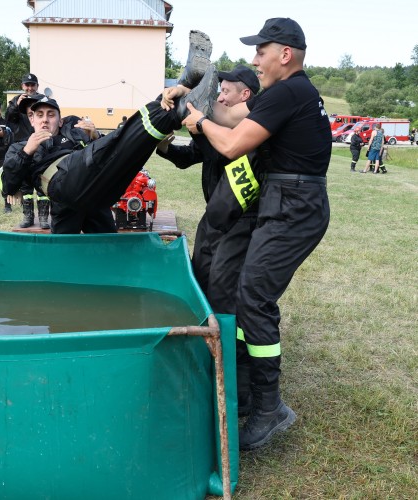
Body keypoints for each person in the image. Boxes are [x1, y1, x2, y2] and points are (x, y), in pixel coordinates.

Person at [165, 18, 331, 450]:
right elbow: (228, 113)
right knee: (246, 295)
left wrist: (199, 123)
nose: (255, 59)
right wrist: (188, 97)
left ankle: (269, 408)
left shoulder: (289, 92)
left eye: (261, 50)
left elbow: (231, 142)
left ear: (285, 54)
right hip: (288, 203)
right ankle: (253, 395)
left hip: (294, 207)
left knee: (253, 298)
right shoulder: (288, 94)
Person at [0, 63, 218, 235]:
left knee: (129, 151)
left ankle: (178, 98)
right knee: (64, 253)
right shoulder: (21, 146)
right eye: (39, 115)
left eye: (50, 115)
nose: (45, 120)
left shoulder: (74, 130)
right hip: (65, 191)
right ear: (31, 119)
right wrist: (27, 151)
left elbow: (108, 150)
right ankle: (179, 102)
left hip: (98, 193)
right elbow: (8, 184)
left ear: (59, 119)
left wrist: (95, 136)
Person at [157, 65, 260, 413]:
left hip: (241, 224)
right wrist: (165, 147)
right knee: (201, 287)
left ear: (244, 95)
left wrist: (192, 104)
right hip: (212, 222)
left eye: (225, 91)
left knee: (227, 298)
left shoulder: (251, 131)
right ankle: (206, 362)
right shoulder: (216, 128)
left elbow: (226, 141)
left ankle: (239, 387)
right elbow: (189, 157)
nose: (219, 97)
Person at [5, 73, 49, 228]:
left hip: (43, 145)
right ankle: (28, 217)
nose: (30, 88)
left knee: (42, 183)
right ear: (22, 86)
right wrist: (16, 105)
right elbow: (9, 119)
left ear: (37, 86)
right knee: (26, 185)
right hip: (23, 145)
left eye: (32, 85)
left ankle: (43, 218)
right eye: (27, 85)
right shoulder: (16, 100)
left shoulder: (43, 99)